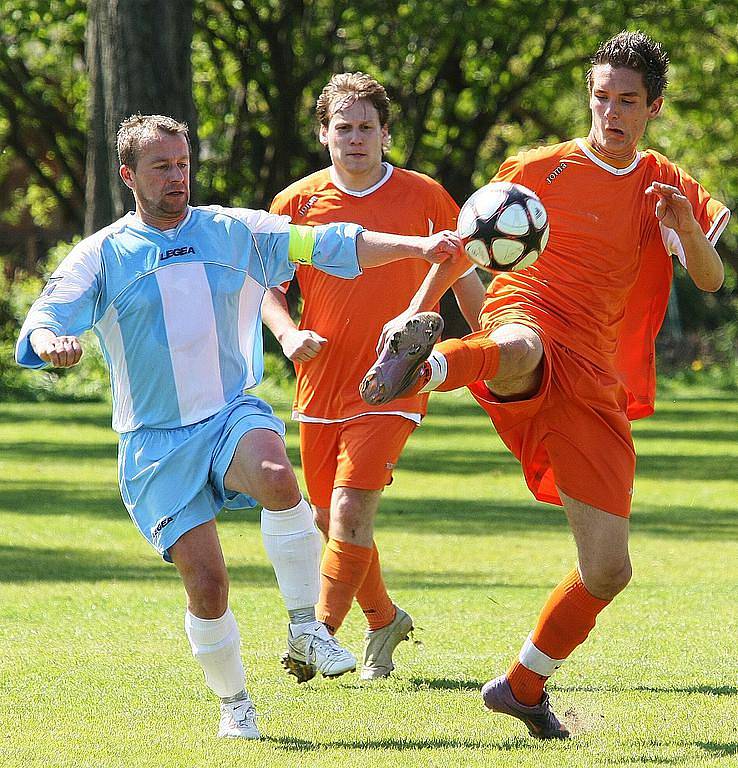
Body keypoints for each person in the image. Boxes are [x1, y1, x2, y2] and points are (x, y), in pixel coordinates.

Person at [15, 114, 461, 740]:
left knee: (280, 477)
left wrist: (417, 247)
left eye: (183, 163)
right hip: (154, 442)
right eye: (161, 167)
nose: (177, 177)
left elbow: (332, 243)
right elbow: (44, 316)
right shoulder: (102, 254)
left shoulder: (234, 230)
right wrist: (51, 341)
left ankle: (307, 625)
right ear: (129, 176)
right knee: (209, 583)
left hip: (230, 410)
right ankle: (236, 703)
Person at [360, 31, 729, 738]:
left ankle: (524, 685)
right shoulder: (538, 167)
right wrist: (416, 313)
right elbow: (469, 243)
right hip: (527, 310)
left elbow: (710, 281)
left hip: (596, 369)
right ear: (588, 97)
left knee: (608, 570)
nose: (610, 113)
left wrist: (687, 227)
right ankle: (425, 366)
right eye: (600, 98)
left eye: (627, 101)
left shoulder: (667, 183)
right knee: (523, 343)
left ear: (652, 106)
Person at [262, 72, 485, 680]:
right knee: (326, 522)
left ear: (386, 135)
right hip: (320, 384)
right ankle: (383, 618)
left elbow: (468, 286)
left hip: (397, 380)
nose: (355, 138)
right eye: (344, 127)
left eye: (367, 127)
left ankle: (318, 637)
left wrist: (492, 356)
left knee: (351, 508)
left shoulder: (426, 198)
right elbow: (266, 291)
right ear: (323, 134)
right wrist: (289, 335)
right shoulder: (295, 204)